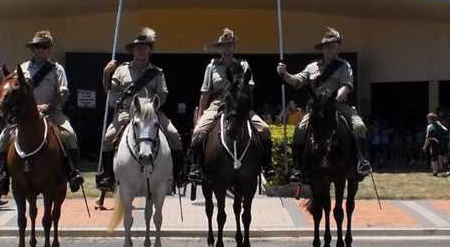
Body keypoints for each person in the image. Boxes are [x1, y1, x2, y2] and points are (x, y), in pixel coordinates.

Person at [277, 27, 371, 183]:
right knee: (300, 129)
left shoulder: (344, 66)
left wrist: (343, 91)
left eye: (333, 46)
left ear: (337, 48)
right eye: (327, 46)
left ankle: (361, 160)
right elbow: (296, 81)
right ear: (322, 49)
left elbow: (347, 84)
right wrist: (284, 74)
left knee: (359, 126)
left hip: (337, 104)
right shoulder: (312, 67)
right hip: (316, 107)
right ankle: (297, 167)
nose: (330, 49)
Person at [0, 30, 84, 192]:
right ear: (32, 49)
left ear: (49, 49)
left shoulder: (57, 69)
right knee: (3, 137)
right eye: (36, 47)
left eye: (43, 47)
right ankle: (1, 175)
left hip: (52, 110)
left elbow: (64, 93)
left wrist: (48, 105)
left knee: (70, 134)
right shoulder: (22, 68)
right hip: (25, 114)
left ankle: (73, 173)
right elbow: (9, 87)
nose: (40, 50)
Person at [96, 27, 184, 191]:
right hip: (127, 112)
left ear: (150, 51)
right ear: (133, 51)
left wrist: (151, 105)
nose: (140, 51)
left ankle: (178, 175)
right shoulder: (122, 70)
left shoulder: (157, 73)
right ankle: (108, 175)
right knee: (108, 137)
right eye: (137, 48)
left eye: (144, 48)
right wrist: (106, 73)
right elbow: (110, 89)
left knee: (174, 135)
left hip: (151, 113)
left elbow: (163, 94)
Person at [187, 28, 274, 183]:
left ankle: (267, 166)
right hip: (217, 104)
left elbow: (250, 88)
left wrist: (244, 104)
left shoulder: (243, 65)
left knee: (265, 130)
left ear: (234, 47)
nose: (227, 49)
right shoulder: (211, 67)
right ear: (219, 48)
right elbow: (205, 92)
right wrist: (200, 113)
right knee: (199, 132)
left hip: (239, 105)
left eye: (230, 45)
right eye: (224, 46)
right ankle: (196, 167)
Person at [422, 112, 448, 176]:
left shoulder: (430, 126)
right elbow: (446, 130)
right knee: (444, 156)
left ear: (430, 119)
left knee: (434, 157)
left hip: (434, 143)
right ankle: (445, 170)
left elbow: (428, 137)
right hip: (442, 143)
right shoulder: (440, 125)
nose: (427, 120)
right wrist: (440, 124)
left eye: (428, 119)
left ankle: (435, 171)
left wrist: (425, 146)